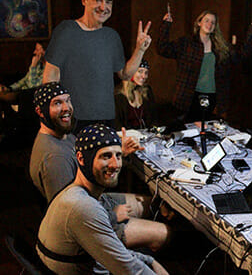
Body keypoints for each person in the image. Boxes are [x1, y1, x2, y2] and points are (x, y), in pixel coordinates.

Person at [30, 83, 169, 256]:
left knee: (158, 205)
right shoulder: (55, 158)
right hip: (90, 223)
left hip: (97, 202)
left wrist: (119, 154)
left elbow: (88, 168)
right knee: (164, 233)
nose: (66, 108)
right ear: (40, 111)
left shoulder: (63, 135)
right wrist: (112, 216)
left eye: (67, 101)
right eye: (57, 103)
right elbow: (69, 213)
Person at [37, 124, 169, 275]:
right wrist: (150, 263)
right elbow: (126, 268)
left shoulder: (76, 193)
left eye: (118, 156)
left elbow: (115, 253)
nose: (115, 165)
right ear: (81, 158)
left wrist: (149, 261)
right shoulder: (83, 207)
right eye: (106, 156)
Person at [42, 0, 152, 133]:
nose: (103, 7)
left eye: (108, 2)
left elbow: (125, 75)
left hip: (106, 118)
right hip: (73, 119)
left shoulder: (111, 36)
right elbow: (51, 75)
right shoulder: (66, 30)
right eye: (97, 0)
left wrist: (140, 50)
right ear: (84, 0)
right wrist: (51, 117)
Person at [157, 8, 252, 122]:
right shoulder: (186, 43)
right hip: (189, 96)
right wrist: (166, 25)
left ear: (215, 27)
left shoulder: (220, 47)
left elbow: (240, 57)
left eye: (213, 22)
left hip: (211, 97)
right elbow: (162, 49)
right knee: (189, 130)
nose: (209, 24)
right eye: (206, 20)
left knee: (206, 130)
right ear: (199, 23)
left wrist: (251, 36)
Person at [115, 59, 157, 130]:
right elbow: (117, 126)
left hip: (147, 137)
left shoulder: (147, 91)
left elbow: (154, 119)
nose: (144, 76)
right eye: (140, 71)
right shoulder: (118, 96)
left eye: (146, 73)